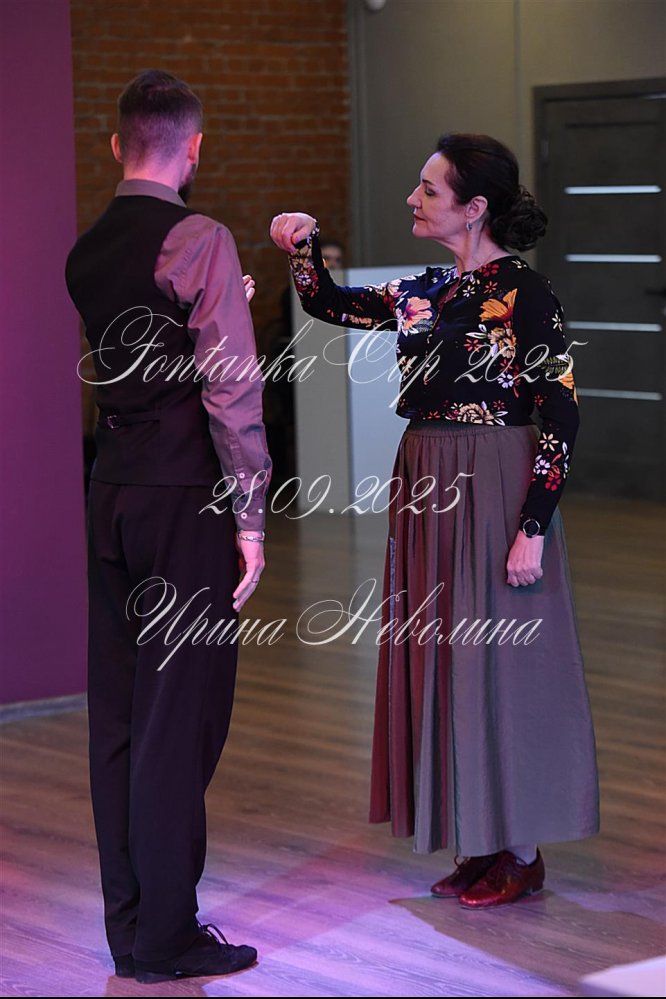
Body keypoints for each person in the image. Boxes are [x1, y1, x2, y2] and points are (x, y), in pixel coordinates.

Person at [270, 133, 599, 909]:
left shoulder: (526, 293)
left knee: (503, 659)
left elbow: (561, 412)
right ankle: (478, 840)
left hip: (495, 478)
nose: (412, 199)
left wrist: (533, 526)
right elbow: (327, 303)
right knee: (445, 657)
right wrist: (301, 245)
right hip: (426, 475)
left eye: (428, 189)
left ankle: (522, 850)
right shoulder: (424, 289)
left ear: (474, 207)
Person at [65, 69, 271, 981]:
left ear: (118, 146)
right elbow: (230, 387)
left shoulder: (86, 250)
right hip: (184, 500)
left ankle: (132, 928)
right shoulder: (200, 238)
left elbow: (145, 354)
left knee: (119, 715)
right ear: (193, 148)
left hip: (110, 489)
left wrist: (225, 299)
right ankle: (169, 938)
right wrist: (252, 515)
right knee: (178, 720)